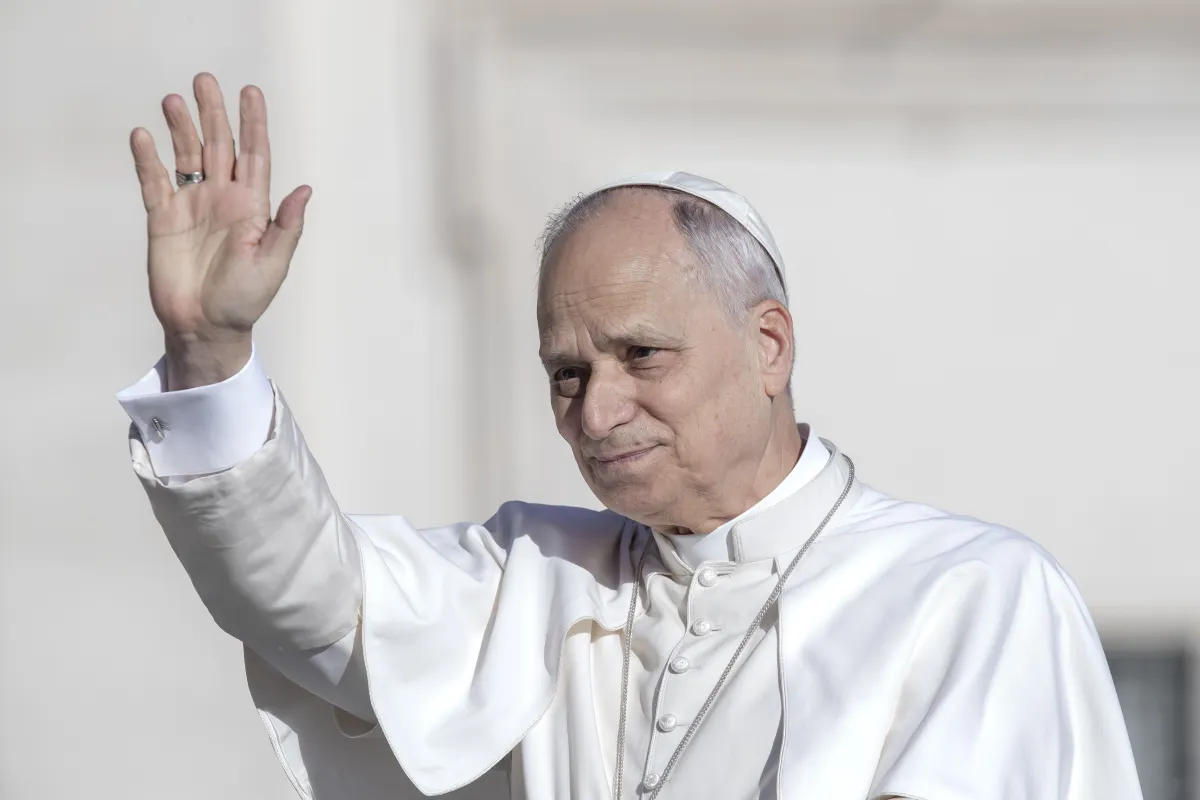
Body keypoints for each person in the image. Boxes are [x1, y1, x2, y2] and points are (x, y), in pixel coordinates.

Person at [119, 73, 1143, 800]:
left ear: (769, 345)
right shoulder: (539, 579)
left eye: (642, 355)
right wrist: (210, 350)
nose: (597, 412)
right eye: (567, 372)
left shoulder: (968, 594)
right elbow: (306, 595)